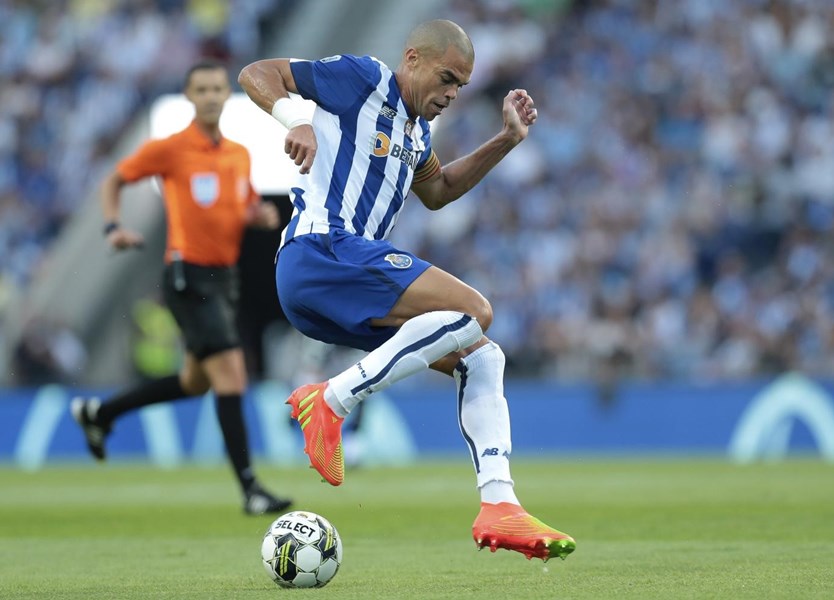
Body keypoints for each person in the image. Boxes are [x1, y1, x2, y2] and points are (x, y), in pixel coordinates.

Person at [237, 20, 575, 560]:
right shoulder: (364, 79)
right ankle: (330, 399)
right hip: (320, 251)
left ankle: (499, 504)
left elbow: (438, 191)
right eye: (446, 78)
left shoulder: (417, 135)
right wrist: (294, 118)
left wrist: (507, 139)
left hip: (336, 285)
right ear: (412, 59)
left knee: (481, 358)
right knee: (473, 309)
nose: (450, 94)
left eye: (461, 87)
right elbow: (257, 72)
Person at [71, 60, 293, 516]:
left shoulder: (237, 154)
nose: (211, 96)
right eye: (202, 89)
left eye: (217, 89)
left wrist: (259, 216)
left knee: (195, 383)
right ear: (190, 97)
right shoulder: (171, 149)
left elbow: (243, 203)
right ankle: (251, 489)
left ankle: (100, 414)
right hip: (188, 275)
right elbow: (115, 178)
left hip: (224, 278)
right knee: (232, 372)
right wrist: (113, 226)